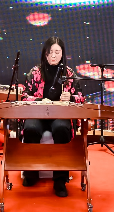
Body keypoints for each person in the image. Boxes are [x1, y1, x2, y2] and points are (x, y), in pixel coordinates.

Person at [21, 37, 84, 197]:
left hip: (60, 114)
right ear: (45, 54)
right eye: (50, 52)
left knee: (62, 128)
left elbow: (81, 98)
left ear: (62, 54)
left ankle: (60, 180)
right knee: (31, 128)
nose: (53, 56)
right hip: (38, 113)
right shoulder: (35, 72)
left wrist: (70, 97)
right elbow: (24, 96)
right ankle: (31, 174)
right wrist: (39, 100)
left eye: (57, 52)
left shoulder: (69, 74)